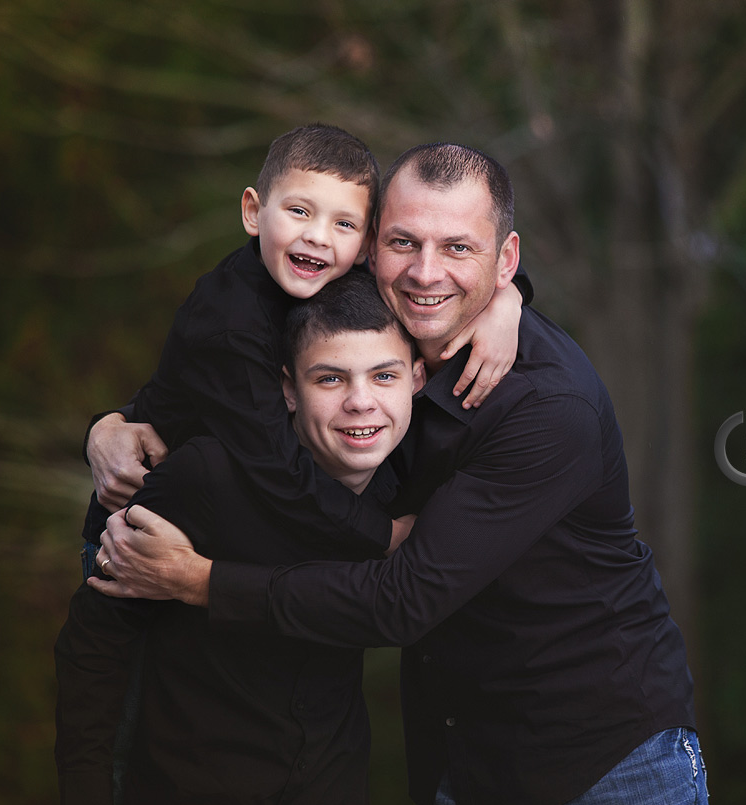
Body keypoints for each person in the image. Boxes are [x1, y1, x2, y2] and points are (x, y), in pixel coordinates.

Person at [91, 143, 709, 805]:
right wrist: (117, 422)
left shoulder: (548, 409)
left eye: (457, 249)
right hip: (466, 760)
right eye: (403, 242)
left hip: (605, 767)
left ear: (505, 260)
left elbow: (402, 600)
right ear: (368, 247)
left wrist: (198, 579)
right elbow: (224, 364)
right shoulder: (375, 338)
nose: (424, 272)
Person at [79, 123, 526, 575]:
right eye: (299, 211)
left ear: (366, 245)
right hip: (142, 532)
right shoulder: (233, 325)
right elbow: (279, 471)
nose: (318, 236)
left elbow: (456, 269)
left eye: (343, 223)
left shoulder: (331, 276)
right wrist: (385, 534)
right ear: (254, 212)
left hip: (240, 519)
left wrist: (508, 300)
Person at [55, 271, 424, 805]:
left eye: (384, 376)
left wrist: (510, 301)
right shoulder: (207, 474)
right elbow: (94, 643)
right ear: (286, 389)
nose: (361, 402)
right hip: (191, 790)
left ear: (417, 377)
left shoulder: (414, 487)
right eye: (330, 379)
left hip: (331, 786)